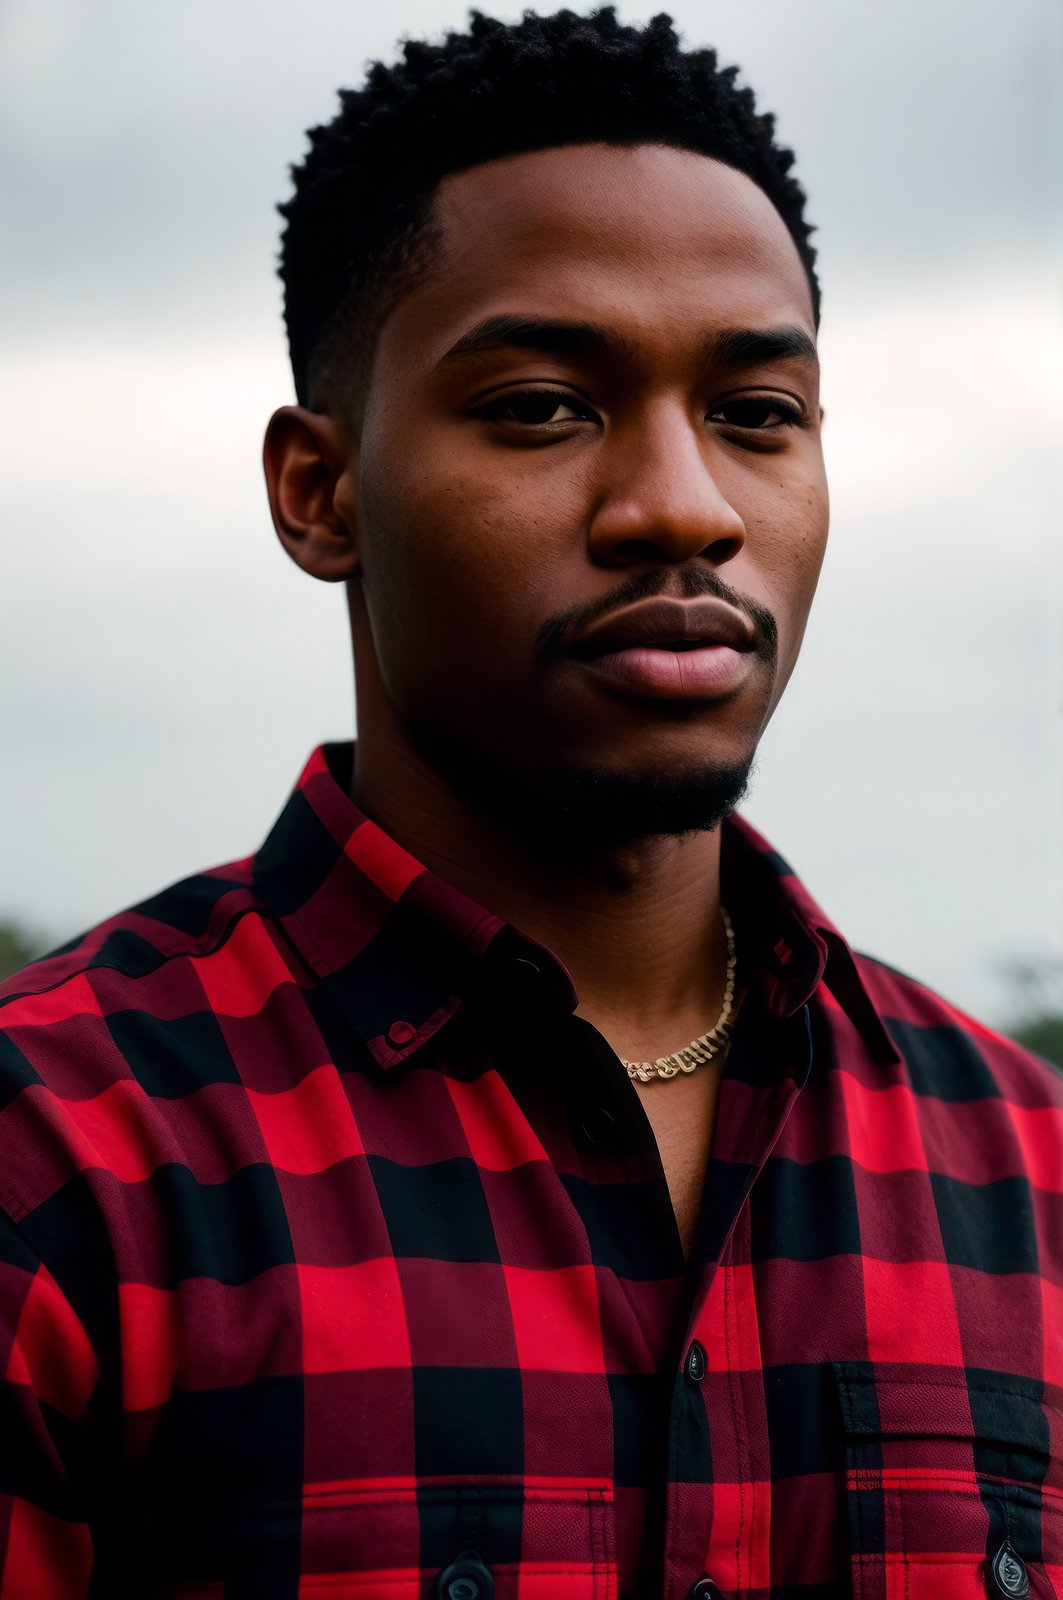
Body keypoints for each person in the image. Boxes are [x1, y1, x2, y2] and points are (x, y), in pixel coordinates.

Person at [0, 8, 1059, 1597]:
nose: (684, 507)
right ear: (322, 490)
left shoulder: (1028, 1177)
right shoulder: (60, 1155)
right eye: (544, 407)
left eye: (757, 416)